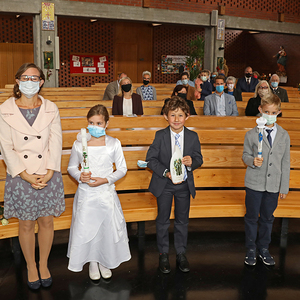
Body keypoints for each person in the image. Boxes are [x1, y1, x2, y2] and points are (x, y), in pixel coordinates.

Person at [0, 63, 65, 290]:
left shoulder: (51, 108)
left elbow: (56, 141)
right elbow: (6, 147)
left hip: (47, 172)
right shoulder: (5, 109)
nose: (30, 82)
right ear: (17, 80)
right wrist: (26, 175)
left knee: (47, 220)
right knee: (26, 224)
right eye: (25, 78)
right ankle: (30, 266)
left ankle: (44, 263)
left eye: (34, 78)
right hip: (21, 174)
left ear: (41, 81)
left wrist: (49, 171)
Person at [67, 104, 131, 280]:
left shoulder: (113, 143)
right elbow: (71, 166)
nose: (94, 127)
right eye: (91, 123)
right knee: (87, 227)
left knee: (106, 228)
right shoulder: (80, 144)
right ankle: (92, 261)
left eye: (99, 123)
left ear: (106, 124)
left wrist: (106, 179)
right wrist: (80, 176)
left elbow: (122, 169)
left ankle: (104, 259)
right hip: (87, 194)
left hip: (105, 192)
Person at [146, 96, 203, 274]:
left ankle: (181, 253)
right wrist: (165, 172)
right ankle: (163, 253)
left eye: (180, 115)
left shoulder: (193, 137)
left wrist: (192, 161)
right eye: (173, 115)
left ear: (187, 116)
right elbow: (150, 160)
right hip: (165, 184)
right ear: (165, 116)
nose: (177, 119)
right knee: (162, 220)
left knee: (182, 221)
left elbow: (199, 159)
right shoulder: (160, 135)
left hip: (184, 185)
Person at [242, 93, 290, 266]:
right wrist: (252, 161)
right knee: (252, 217)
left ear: (278, 113)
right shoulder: (251, 134)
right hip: (254, 183)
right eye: (267, 111)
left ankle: (263, 248)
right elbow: (245, 155)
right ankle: (250, 248)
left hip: (273, 185)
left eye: (274, 112)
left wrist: (283, 187)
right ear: (260, 110)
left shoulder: (284, 135)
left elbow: (285, 162)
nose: (270, 115)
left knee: (268, 218)